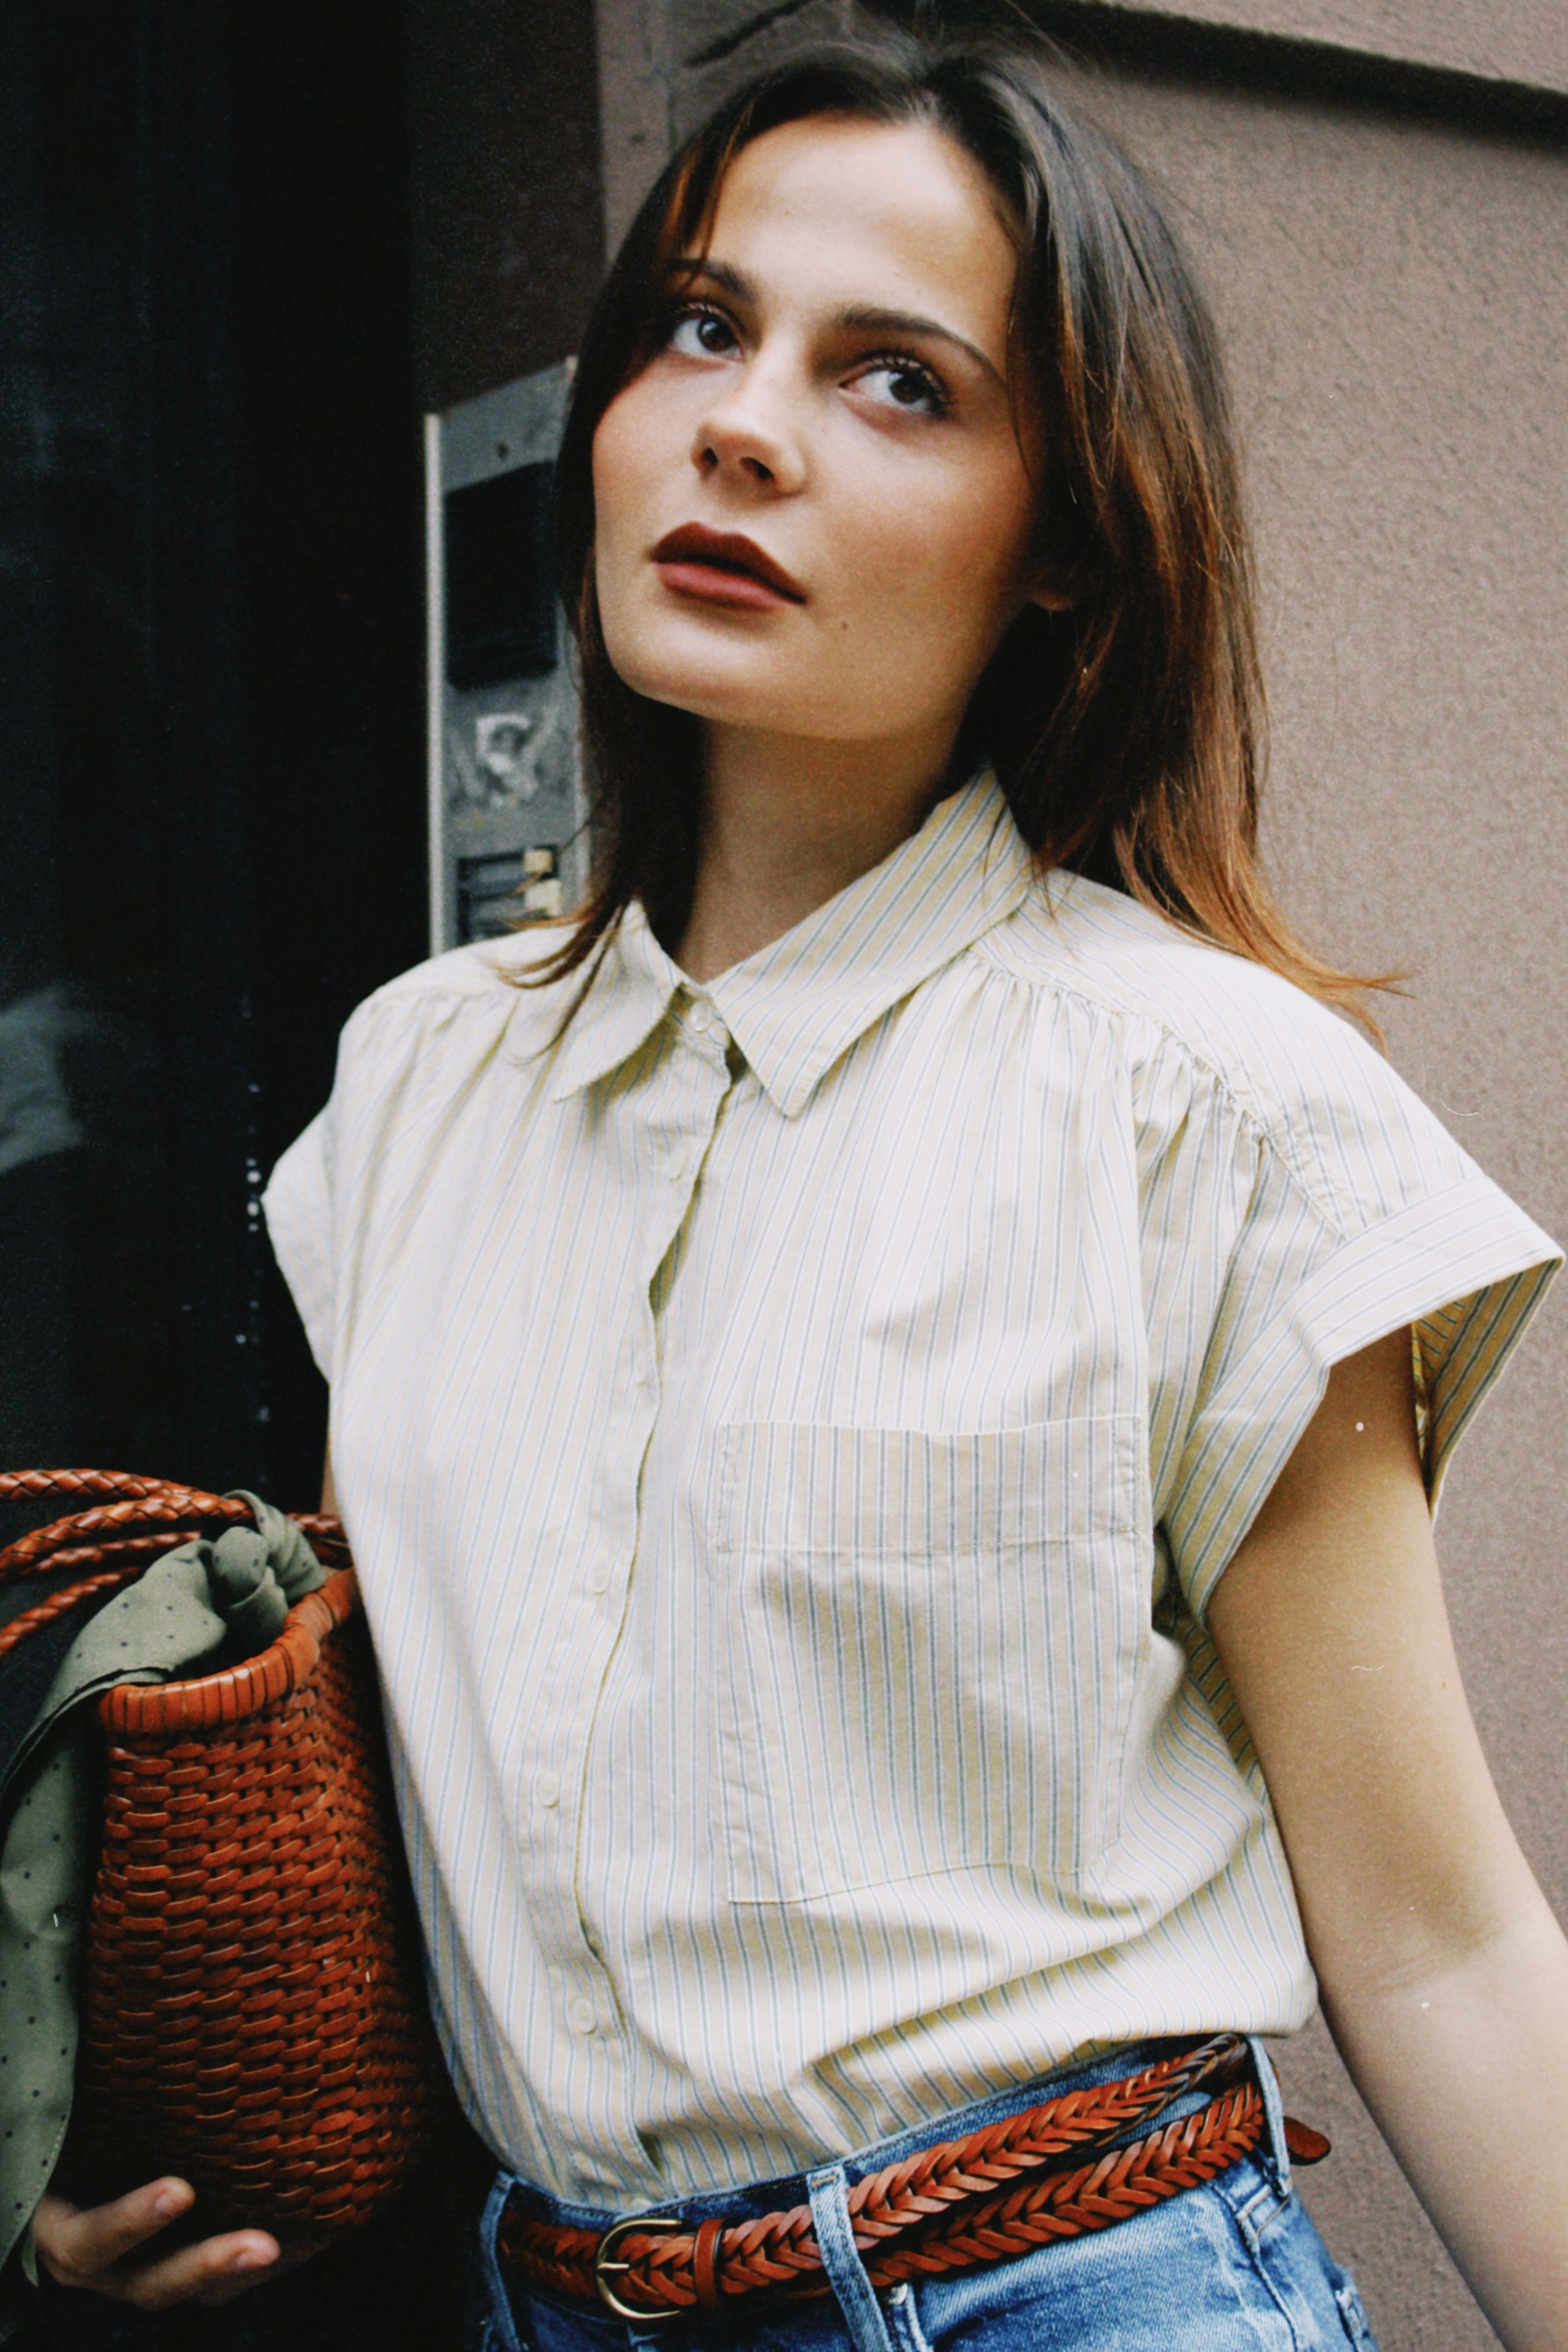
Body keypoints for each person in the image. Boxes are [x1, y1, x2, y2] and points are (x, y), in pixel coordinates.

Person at [34, 27, 1566, 2348]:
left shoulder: (1205, 1106)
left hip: (1073, 2292)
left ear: (1069, 545)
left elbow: (1438, 1939)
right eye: (701, 326)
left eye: (900, 381)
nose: (745, 426)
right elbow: (399, 1801)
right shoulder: (424, 1081)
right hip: (551, 2301)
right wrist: (81, 2126)